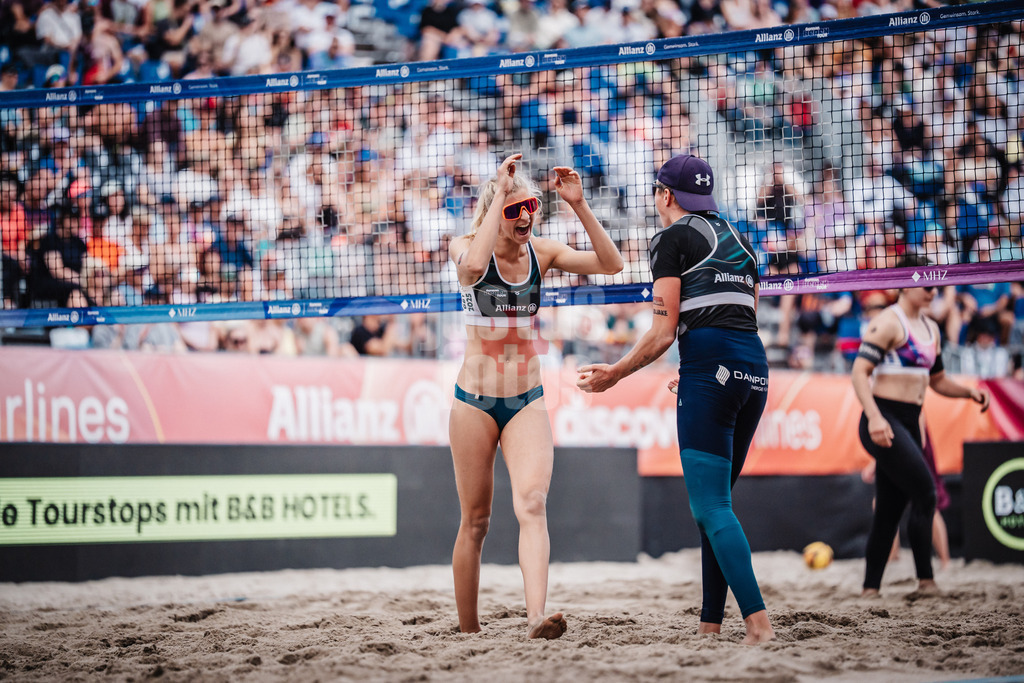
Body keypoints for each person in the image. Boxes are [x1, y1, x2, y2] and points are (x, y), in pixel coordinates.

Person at [576, 153, 775, 645]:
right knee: (718, 505)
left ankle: (759, 624)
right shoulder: (743, 241)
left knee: (711, 507)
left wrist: (616, 373)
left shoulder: (670, 237)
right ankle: (710, 623)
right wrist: (703, 367)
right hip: (754, 371)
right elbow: (742, 318)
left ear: (664, 195)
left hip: (712, 370)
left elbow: (663, 332)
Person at [448, 152, 622, 639]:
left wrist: (580, 206)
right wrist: (499, 195)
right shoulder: (463, 244)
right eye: (514, 208)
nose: (525, 216)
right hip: (473, 402)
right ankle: (468, 632)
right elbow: (472, 269)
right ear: (495, 212)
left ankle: (535, 617)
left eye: (531, 206)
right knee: (475, 522)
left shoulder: (541, 251)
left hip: (526, 399)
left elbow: (612, 264)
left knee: (532, 503)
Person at [851, 255, 990, 597]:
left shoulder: (931, 329)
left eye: (935, 283)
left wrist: (969, 393)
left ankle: (870, 588)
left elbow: (937, 381)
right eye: (927, 283)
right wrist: (875, 418)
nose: (932, 290)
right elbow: (858, 373)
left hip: (910, 422)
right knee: (925, 493)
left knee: (889, 507)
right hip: (883, 418)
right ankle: (926, 581)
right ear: (907, 282)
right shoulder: (888, 323)